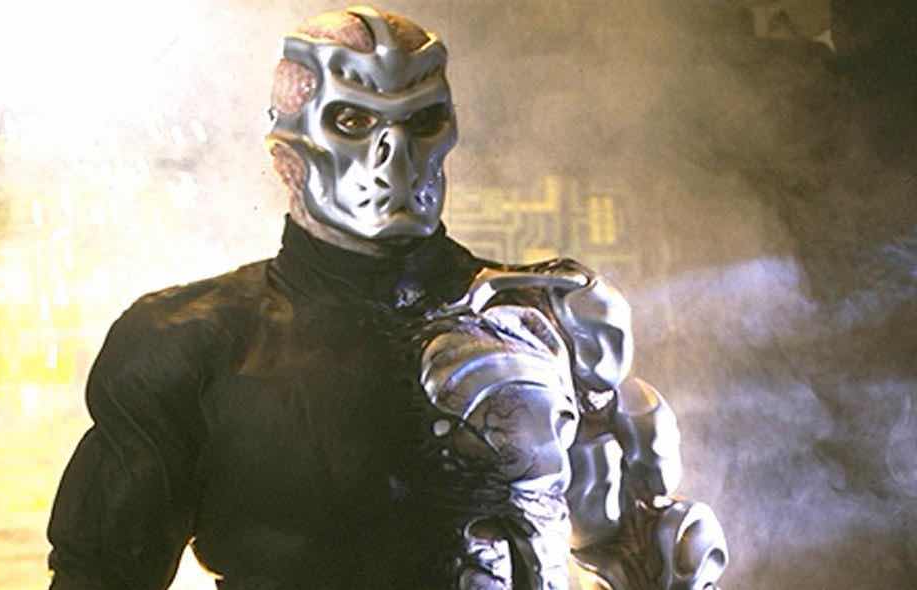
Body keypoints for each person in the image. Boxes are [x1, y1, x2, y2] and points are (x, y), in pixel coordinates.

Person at [47, 6, 727, 589]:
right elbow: (99, 574)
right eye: (353, 120)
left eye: (420, 121)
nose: (393, 153)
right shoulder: (189, 343)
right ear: (286, 153)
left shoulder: (548, 317)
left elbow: (635, 546)